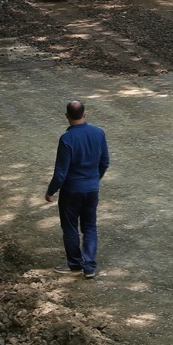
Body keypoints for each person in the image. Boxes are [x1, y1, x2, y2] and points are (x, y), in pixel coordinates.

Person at [45, 100, 110, 279]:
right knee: (89, 226)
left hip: (71, 191)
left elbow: (61, 173)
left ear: (66, 116)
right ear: (85, 114)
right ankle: (89, 267)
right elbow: (105, 161)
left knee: (70, 227)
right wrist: (95, 179)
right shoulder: (99, 132)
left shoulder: (66, 139)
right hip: (92, 189)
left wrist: (50, 191)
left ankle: (74, 265)